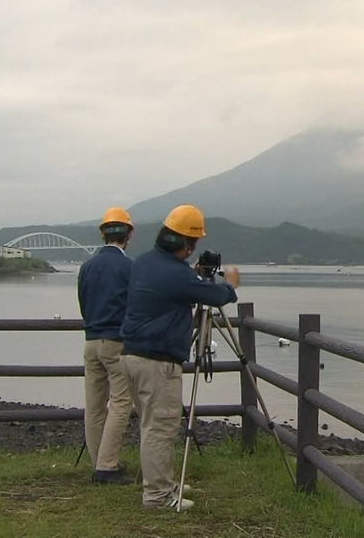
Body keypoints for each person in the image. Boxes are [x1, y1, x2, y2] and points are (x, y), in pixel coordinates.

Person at [120, 204, 240, 511]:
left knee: (150, 425)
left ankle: (162, 482)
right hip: (157, 362)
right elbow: (216, 296)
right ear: (187, 245)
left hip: (131, 355)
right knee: (160, 428)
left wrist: (193, 276)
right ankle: (158, 496)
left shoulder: (144, 263)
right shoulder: (177, 274)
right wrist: (230, 284)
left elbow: (175, 286)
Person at [77, 207, 135, 485]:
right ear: (129, 234)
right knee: (121, 403)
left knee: (95, 406)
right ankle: (107, 466)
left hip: (91, 341)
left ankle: (98, 461)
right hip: (117, 342)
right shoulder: (129, 268)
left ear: (102, 234)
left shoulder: (87, 267)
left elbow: (83, 302)